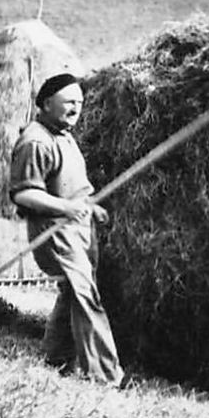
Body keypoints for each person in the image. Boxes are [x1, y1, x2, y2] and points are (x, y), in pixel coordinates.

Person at [9, 72, 124, 385]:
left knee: (73, 291)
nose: (76, 107)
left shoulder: (64, 135)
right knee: (86, 295)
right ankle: (105, 376)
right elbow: (23, 193)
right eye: (69, 101)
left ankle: (57, 358)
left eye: (80, 102)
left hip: (76, 227)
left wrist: (89, 206)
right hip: (54, 230)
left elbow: (71, 187)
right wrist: (67, 208)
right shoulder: (36, 141)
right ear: (47, 103)